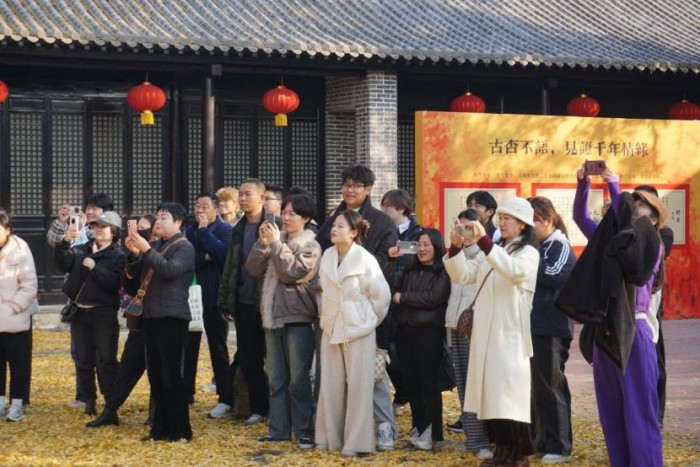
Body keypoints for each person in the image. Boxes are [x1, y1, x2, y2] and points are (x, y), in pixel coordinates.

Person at [557, 190, 666, 467]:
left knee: (639, 414)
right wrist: (584, 182)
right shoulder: (613, 241)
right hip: (606, 333)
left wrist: (615, 187)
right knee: (611, 414)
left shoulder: (650, 243)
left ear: (654, 220)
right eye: (632, 203)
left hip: (635, 333)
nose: (633, 207)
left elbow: (633, 254)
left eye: (640, 205)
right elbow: (580, 216)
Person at [444, 197, 540, 466]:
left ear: (523, 225)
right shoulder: (496, 249)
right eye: (501, 218)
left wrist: (484, 242)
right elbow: (463, 275)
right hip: (486, 333)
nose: (502, 222)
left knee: (509, 398)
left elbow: (513, 271)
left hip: (509, 334)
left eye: (508, 218)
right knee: (491, 397)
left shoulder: (528, 253)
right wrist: (455, 247)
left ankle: (518, 454)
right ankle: (502, 451)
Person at [317, 164, 398, 450]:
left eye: (356, 185)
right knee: (332, 383)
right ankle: (332, 436)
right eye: (346, 184)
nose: (349, 190)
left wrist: (368, 318)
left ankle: (382, 428)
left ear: (368, 189)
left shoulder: (382, 222)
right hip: (335, 322)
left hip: (366, 315)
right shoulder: (332, 219)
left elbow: (383, 283)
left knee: (371, 377)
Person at [246, 193, 321, 450]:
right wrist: (263, 244)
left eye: (292, 214)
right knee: (276, 378)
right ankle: (278, 430)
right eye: (284, 213)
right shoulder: (276, 240)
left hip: (298, 317)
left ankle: (304, 431)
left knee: (299, 379)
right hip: (272, 317)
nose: (286, 218)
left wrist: (277, 244)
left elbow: (293, 273)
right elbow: (253, 269)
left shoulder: (311, 245)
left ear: (305, 218)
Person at [125, 202, 194, 442]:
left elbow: (169, 270)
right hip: (150, 316)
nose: (158, 222)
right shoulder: (154, 246)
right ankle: (160, 428)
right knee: (155, 376)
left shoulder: (185, 247)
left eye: (164, 217)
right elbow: (134, 280)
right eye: (158, 217)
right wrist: (134, 255)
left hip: (172, 317)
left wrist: (146, 249)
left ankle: (180, 429)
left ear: (178, 222)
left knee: (171, 375)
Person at [87, 214, 157, 428]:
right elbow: (129, 287)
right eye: (138, 228)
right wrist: (134, 256)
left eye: (145, 228)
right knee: (127, 367)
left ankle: (156, 414)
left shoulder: (172, 247)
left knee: (158, 370)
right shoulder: (138, 252)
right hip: (141, 319)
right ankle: (110, 410)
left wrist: (147, 251)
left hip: (162, 317)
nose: (139, 232)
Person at [53, 211, 126, 416]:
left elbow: (115, 284)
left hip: (104, 313)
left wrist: (95, 268)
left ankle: (110, 402)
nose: (98, 230)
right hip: (80, 312)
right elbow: (62, 263)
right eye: (95, 226)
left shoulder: (118, 256)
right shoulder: (81, 249)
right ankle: (89, 399)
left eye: (103, 227)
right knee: (83, 360)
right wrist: (64, 242)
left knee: (107, 359)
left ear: (114, 232)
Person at [46, 192, 114, 409]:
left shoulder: (111, 237)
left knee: (105, 356)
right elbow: (56, 247)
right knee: (81, 354)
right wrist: (62, 224)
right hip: (78, 299)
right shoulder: (78, 230)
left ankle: (110, 398)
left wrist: (87, 230)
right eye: (89, 207)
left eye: (96, 208)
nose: (91, 212)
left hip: (102, 305)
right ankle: (85, 396)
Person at [218, 178, 274, 426]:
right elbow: (230, 267)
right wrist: (225, 300)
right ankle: (259, 407)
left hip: (268, 302)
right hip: (243, 300)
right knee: (249, 358)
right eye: (240, 194)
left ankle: (278, 409)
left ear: (262, 197)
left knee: (273, 359)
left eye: (247, 194)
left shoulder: (273, 226)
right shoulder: (238, 229)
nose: (242, 198)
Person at [389, 228, 450, 450]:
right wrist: (392, 259)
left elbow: (434, 298)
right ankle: (419, 425)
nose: (422, 249)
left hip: (428, 332)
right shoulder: (409, 269)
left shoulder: (443, 270)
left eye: (427, 245)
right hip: (405, 331)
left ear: (436, 247)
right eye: (419, 245)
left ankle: (433, 432)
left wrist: (403, 298)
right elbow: (390, 287)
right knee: (411, 383)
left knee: (429, 383)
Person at [528, 197, 576, 464]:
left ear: (548, 220)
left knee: (551, 386)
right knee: (535, 388)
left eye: (532, 222)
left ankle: (560, 445)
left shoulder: (560, 245)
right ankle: (541, 442)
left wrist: (527, 253)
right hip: (533, 325)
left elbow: (552, 274)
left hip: (552, 326)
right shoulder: (540, 246)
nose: (528, 228)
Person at [443, 209, 492, 460]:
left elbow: (464, 274)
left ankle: (485, 440)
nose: (464, 232)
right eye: (459, 226)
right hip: (456, 324)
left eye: (469, 227)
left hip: (476, 327)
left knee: (478, 386)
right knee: (463, 384)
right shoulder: (454, 253)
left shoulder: (487, 254)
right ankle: (473, 439)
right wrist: (455, 247)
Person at [184, 192, 233, 416]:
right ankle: (187, 392)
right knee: (189, 345)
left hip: (214, 296)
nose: (199, 210)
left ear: (216, 210)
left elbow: (222, 254)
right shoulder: (188, 230)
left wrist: (204, 232)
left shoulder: (225, 230)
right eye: (197, 206)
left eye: (204, 206)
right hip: (192, 295)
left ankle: (225, 396)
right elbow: (186, 259)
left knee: (218, 346)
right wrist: (204, 257)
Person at [380, 189, 422, 413]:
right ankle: (401, 392)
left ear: (401, 208)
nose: (384, 210)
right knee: (386, 348)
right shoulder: (384, 231)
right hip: (384, 295)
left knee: (403, 349)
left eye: (388, 206)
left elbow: (415, 254)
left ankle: (408, 394)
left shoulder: (418, 232)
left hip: (406, 297)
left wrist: (395, 251)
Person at [0, 211, 38, 422]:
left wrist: (13, 307)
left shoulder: (20, 248)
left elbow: (29, 285)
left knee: (19, 364)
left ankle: (17, 404)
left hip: (15, 317)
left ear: (8, 230)